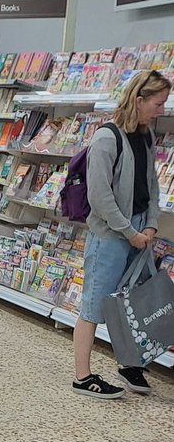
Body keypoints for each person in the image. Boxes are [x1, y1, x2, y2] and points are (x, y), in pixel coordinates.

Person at [73, 68, 171, 398]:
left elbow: (153, 185)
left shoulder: (145, 135)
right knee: (94, 305)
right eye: (158, 104)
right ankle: (82, 376)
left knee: (136, 303)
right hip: (111, 236)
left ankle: (130, 364)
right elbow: (99, 197)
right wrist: (130, 231)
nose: (161, 111)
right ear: (139, 100)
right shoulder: (106, 139)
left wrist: (151, 223)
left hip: (139, 231)